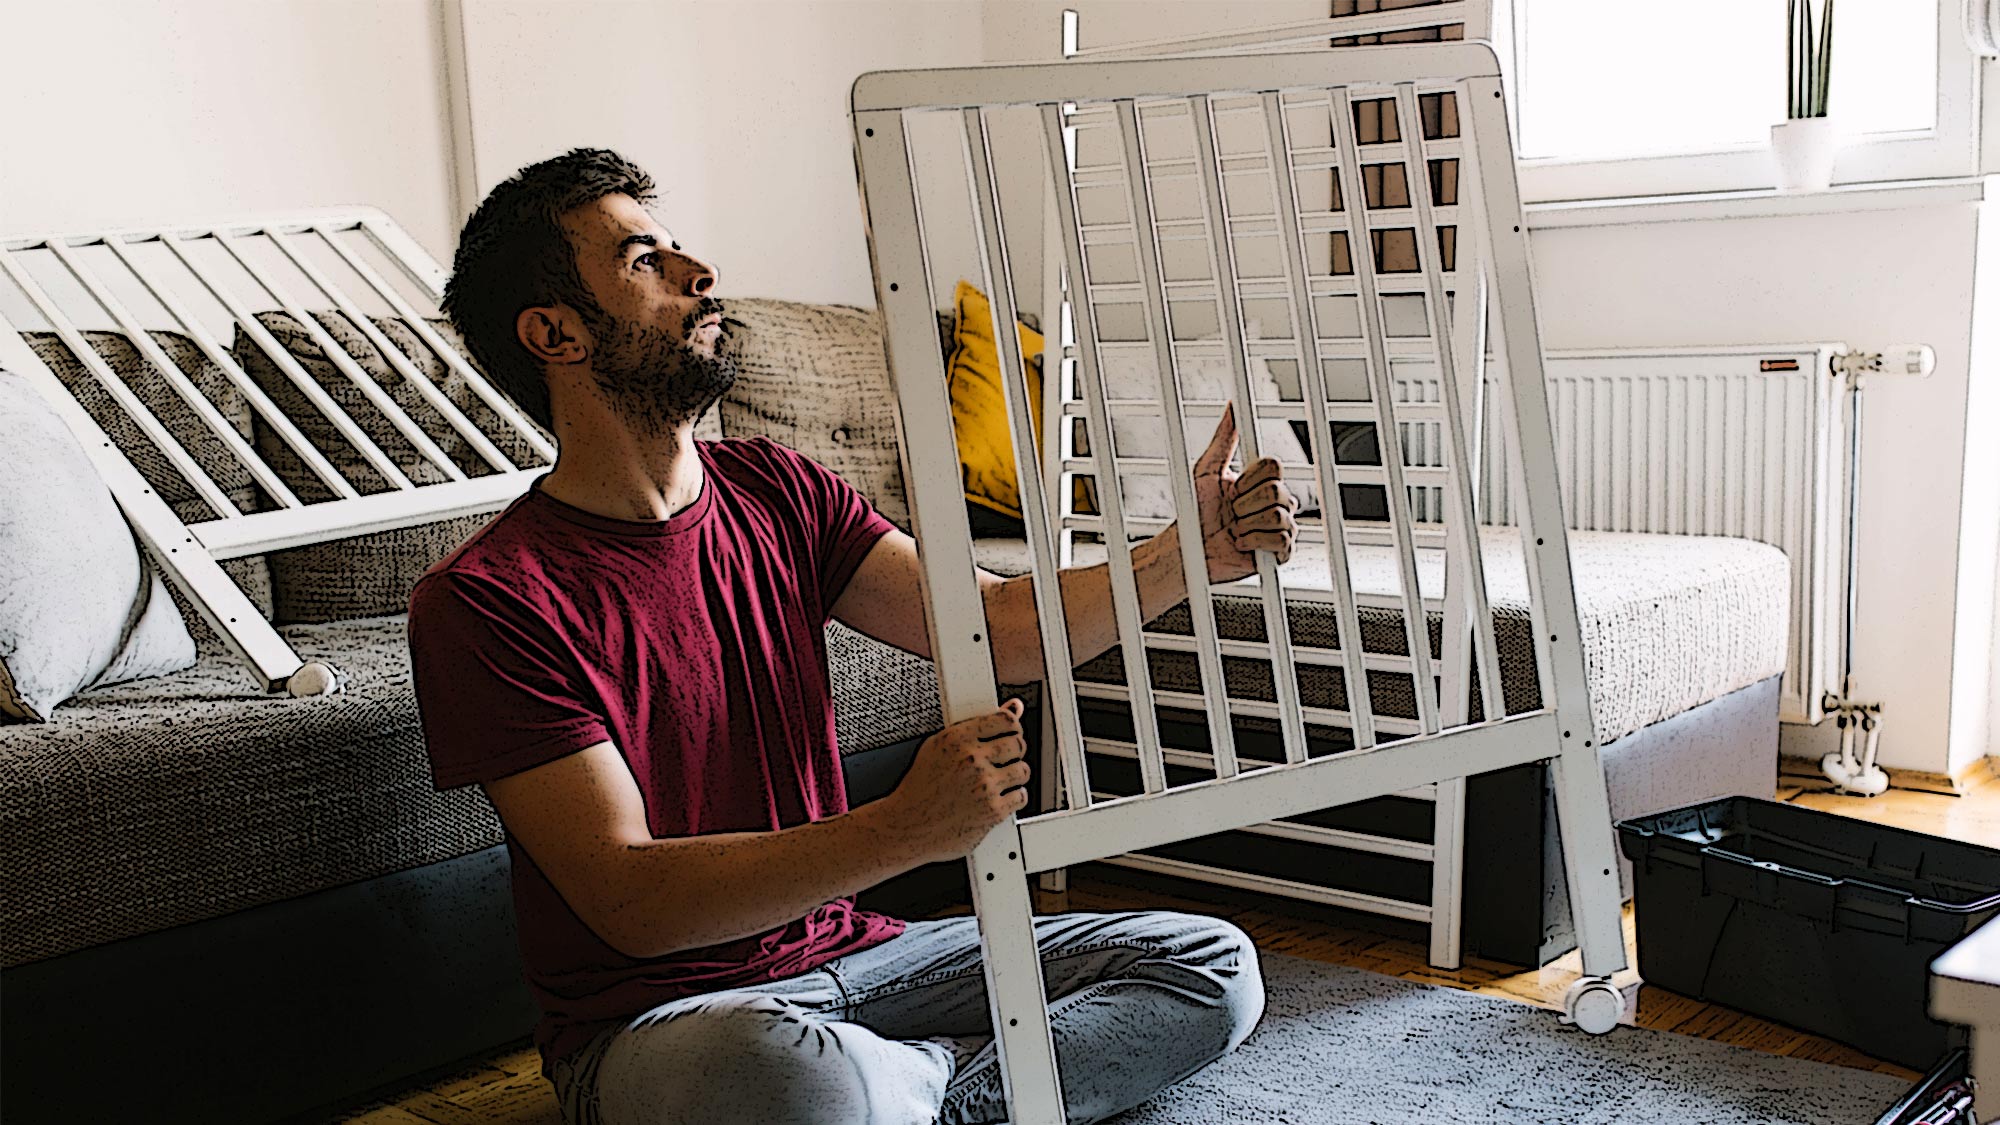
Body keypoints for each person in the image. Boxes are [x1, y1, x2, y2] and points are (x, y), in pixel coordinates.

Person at [407, 147, 1299, 1125]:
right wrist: (903, 827)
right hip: (673, 1017)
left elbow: (996, 627)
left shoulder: (777, 490)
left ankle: (907, 1095)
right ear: (554, 333)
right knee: (781, 1073)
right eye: (641, 262)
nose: (697, 274)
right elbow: (631, 902)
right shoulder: (485, 600)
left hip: (861, 954)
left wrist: (1180, 555)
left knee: (1208, 967)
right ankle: (903, 1085)